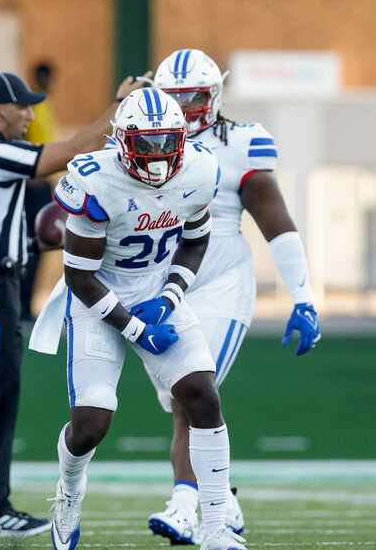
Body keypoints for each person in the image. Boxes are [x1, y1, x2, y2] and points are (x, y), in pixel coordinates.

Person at [32, 87, 248, 550]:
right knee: (92, 423)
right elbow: (79, 275)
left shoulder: (199, 169)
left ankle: (213, 529)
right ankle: (69, 493)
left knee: (203, 396)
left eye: (168, 142)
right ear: (123, 140)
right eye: (147, 144)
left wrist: (169, 299)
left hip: (154, 291)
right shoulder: (95, 180)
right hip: (97, 300)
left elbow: (194, 241)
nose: (159, 154)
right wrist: (134, 327)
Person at [0, 70, 142, 538]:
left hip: (5, 277)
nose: (30, 114)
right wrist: (120, 104)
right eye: (24, 106)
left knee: (4, 393)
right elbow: (70, 152)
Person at [134, 48, 321, 545]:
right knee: (179, 397)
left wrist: (302, 294)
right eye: (175, 97)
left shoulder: (240, 143)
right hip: (161, 279)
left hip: (219, 280)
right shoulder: (138, 134)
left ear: (215, 94)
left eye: (194, 96)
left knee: (192, 393)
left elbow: (274, 221)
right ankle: (225, 503)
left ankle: (186, 505)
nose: (186, 107)